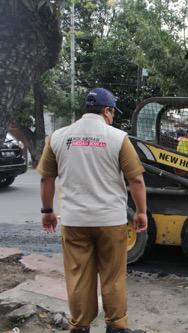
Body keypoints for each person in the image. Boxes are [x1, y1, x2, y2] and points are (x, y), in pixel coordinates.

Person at [37, 88, 147, 333]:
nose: (113, 117)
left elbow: (46, 178)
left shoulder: (57, 137)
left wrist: (47, 211)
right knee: (113, 276)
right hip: (111, 221)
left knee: (78, 276)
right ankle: (117, 326)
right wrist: (141, 212)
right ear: (106, 111)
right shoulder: (118, 138)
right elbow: (136, 180)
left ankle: (81, 326)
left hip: (75, 221)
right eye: (112, 113)